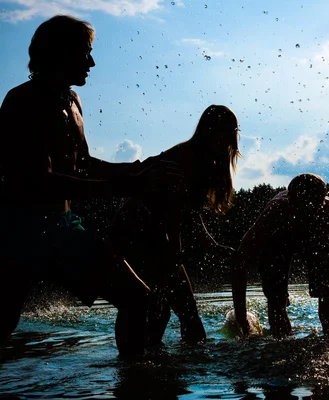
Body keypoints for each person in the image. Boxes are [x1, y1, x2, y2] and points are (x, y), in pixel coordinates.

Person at [0, 15, 182, 355]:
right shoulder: (22, 102)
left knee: (138, 298)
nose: (93, 62)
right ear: (60, 54)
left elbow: (82, 165)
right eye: (86, 52)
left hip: (62, 227)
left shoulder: (73, 101)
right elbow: (40, 181)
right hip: (17, 231)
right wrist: (128, 186)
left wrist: (137, 169)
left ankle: (134, 383)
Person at [110, 105, 240, 346]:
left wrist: (211, 245)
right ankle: (139, 365)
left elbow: (187, 211)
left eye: (229, 132)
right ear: (208, 130)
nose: (225, 138)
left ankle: (154, 367)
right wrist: (174, 252)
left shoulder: (206, 160)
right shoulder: (188, 157)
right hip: (138, 230)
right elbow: (172, 210)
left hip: (154, 232)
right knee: (161, 310)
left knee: (182, 316)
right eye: (221, 131)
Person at [231, 173, 329, 338]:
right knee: (276, 296)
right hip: (278, 239)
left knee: (325, 286)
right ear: (290, 201)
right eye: (300, 209)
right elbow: (239, 261)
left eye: (311, 210)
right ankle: (281, 340)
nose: (304, 215)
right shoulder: (275, 213)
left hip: (314, 236)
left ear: (321, 203)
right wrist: (241, 318)